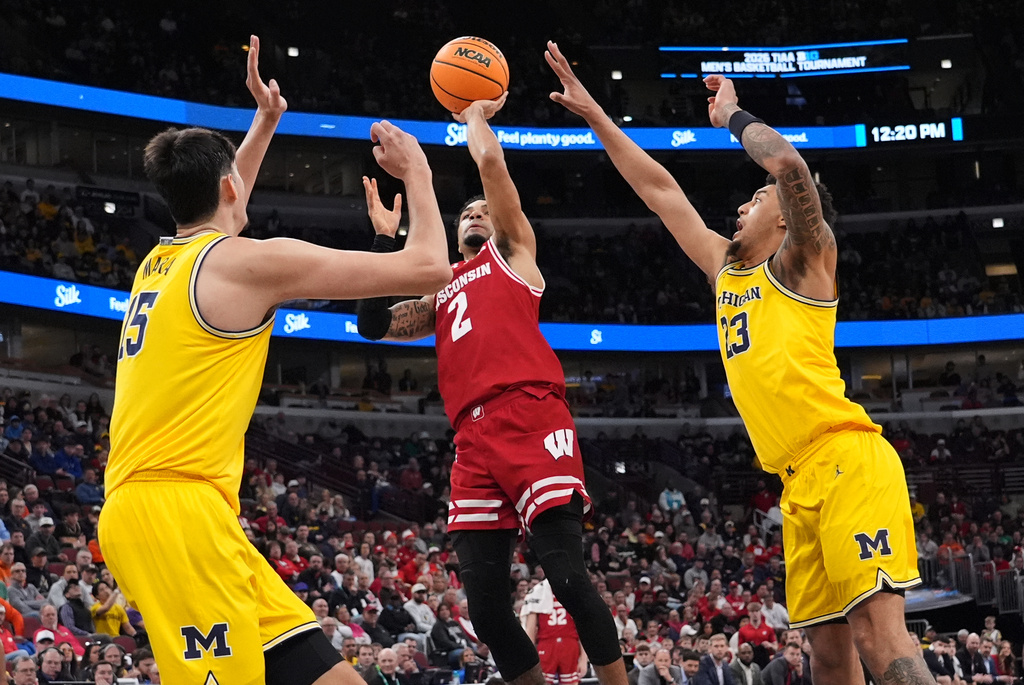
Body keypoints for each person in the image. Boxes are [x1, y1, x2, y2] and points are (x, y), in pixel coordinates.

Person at [546, 44, 926, 685]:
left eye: (758, 197)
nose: (745, 204)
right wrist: (595, 115)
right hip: (796, 481)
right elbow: (659, 189)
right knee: (827, 654)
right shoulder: (727, 271)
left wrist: (732, 115)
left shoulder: (806, 260)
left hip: (848, 459)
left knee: (875, 629)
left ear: (786, 217)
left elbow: (787, 164)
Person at [98, 35, 451, 685]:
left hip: (171, 508)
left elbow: (221, 210)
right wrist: (421, 172)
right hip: (177, 516)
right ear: (230, 186)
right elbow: (430, 266)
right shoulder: (245, 262)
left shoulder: (161, 259)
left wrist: (265, 122)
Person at [356, 92, 624, 685]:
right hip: (471, 439)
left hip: (531, 414)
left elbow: (495, 170)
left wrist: (473, 117)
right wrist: (385, 243)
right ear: (454, 235)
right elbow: (372, 324)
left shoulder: (516, 255)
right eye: (466, 213)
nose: (476, 213)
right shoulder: (442, 291)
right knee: (484, 609)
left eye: (483, 210)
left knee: (568, 579)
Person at [522, 580, 587, 685]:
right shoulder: (538, 591)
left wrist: (584, 660)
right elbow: (530, 631)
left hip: (567, 643)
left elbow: (583, 630)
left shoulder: (573, 590)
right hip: (549, 643)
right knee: (541, 682)